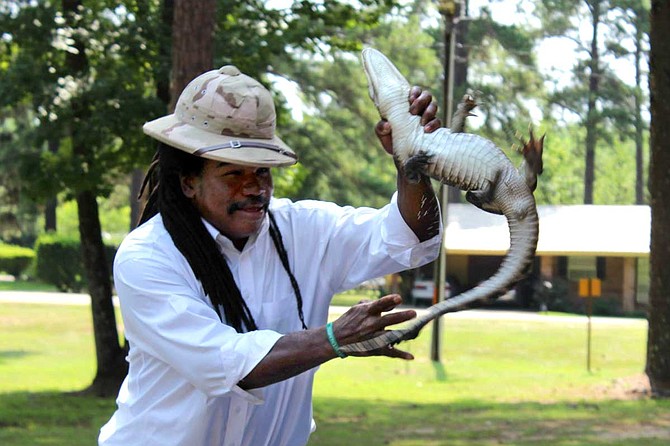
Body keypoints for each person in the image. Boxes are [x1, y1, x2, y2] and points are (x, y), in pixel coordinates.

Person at [99, 64, 442, 446]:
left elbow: (413, 236)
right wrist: (333, 337)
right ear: (189, 182)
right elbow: (228, 365)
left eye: (262, 171)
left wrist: (411, 158)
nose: (254, 188)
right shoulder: (148, 256)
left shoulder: (302, 230)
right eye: (233, 174)